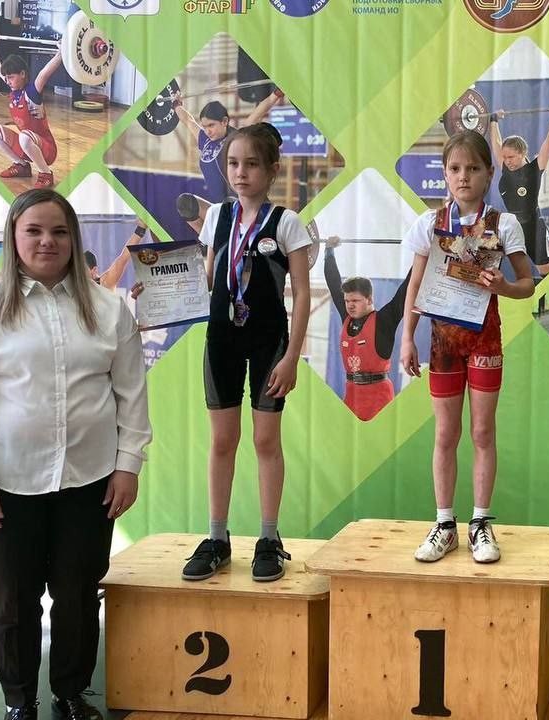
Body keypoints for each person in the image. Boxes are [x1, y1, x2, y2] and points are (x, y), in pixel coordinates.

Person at [0, 188, 151, 720]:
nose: (46, 241)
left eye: (58, 231)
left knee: (77, 592)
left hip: (90, 479)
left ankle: (70, 693)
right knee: (13, 597)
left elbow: (131, 394)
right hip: (6, 483)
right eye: (33, 230)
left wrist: (128, 465)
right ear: (13, 238)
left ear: (73, 239)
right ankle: (19, 701)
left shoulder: (109, 309)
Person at [175, 122, 312, 583]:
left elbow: (302, 295)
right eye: (233, 163)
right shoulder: (217, 217)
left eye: (251, 164)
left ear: (272, 170)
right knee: (222, 441)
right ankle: (217, 538)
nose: (240, 172)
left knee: (265, 442)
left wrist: (292, 357)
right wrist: (161, 296)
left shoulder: (287, 223)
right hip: (222, 341)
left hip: (270, 343)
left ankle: (269, 538)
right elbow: (207, 278)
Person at [401, 130, 534, 564]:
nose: (464, 177)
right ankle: (444, 524)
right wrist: (407, 337)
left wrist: (505, 287)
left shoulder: (503, 224)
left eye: (473, 168)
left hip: (485, 338)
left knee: (481, 432)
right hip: (442, 343)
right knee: (445, 433)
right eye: (455, 169)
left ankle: (480, 523)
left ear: (489, 173)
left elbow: (528, 284)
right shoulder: (430, 224)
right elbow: (415, 285)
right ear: (444, 174)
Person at [172, 89, 286, 234]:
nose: (207, 131)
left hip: (243, 207)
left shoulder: (235, 138)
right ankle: (208, 240)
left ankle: (237, 235)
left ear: (224, 122)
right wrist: (176, 105)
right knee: (186, 204)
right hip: (220, 209)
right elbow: (188, 120)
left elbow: (255, 115)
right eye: (205, 126)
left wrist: (276, 94)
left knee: (230, 204)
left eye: (211, 125)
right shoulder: (205, 140)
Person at [322, 239, 411, 421]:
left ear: (369, 299)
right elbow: (333, 282)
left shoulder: (384, 320)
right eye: (347, 301)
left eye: (355, 301)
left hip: (379, 401)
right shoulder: (347, 318)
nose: (349, 305)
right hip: (351, 397)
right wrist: (329, 251)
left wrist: (422, 253)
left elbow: (406, 290)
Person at [489, 104, 549, 274]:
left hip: (534, 230)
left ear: (522, 153)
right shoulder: (506, 168)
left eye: (511, 157)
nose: (507, 161)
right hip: (513, 228)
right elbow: (496, 144)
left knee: (548, 274)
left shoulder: (534, 169)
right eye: (504, 157)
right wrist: (493, 120)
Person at [0, 41, 63, 189]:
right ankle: (21, 166)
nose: (7, 81)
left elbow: (45, 73)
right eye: (6, 77)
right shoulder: (13, 89)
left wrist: (61, 53)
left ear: (22, 74)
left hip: (46, 149)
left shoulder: (32, 92)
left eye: (11, 77)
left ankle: (46, 174)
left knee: (24, 136)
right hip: (27, 144)